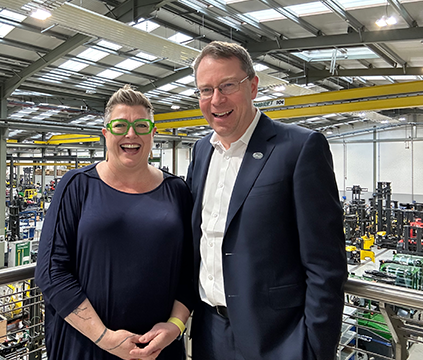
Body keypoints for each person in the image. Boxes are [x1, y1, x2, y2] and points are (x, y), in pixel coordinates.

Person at [186, 41, 347, 360]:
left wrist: (315, 349)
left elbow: (325, 264)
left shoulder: (299, 148)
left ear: (253, 86)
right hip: (208, 332)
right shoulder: (201, 151)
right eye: (205, 90)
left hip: (277, 339)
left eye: (227, 85)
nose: (216, 99)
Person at [35, 84, 193, 360]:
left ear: (153, 134)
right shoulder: (76, 186)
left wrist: (175, 326)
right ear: (105, 133)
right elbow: (51, 272)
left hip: (158, 350)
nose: (131, 134)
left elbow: (190, 272)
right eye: (120, 125)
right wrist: (103, 337)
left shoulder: (177, 191)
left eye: (141, 126)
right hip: (85, 346)